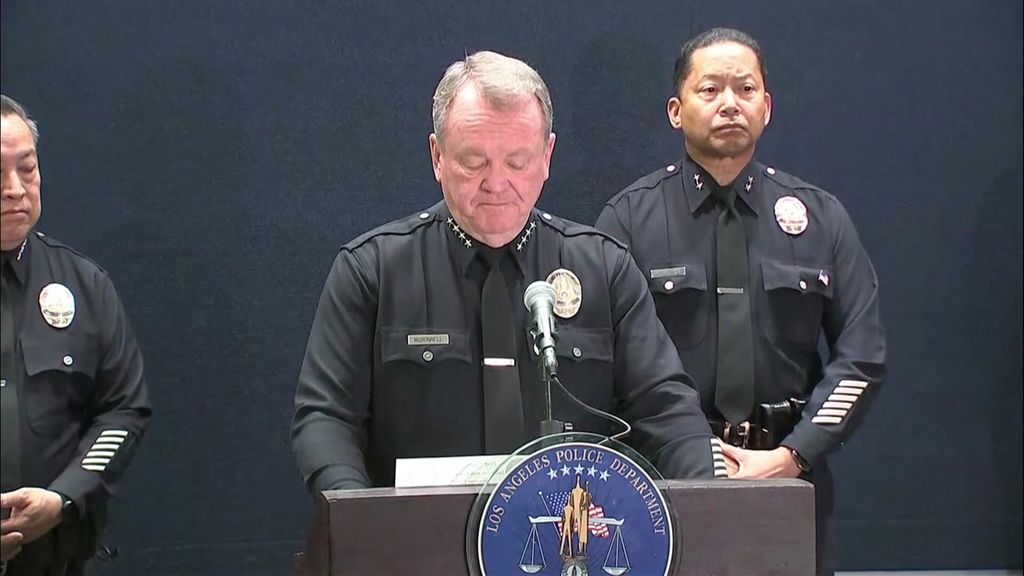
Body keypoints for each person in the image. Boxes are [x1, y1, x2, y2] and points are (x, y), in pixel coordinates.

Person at [291, 51, 723, 494]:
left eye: (517, 162)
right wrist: (358, 520)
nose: (497, 184)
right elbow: (326, 420)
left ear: (547, 156)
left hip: (570, 540)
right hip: (416, 543)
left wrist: (709, 506)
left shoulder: (604, 269)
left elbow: (668, 411)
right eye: (474, 161)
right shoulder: (372, 272)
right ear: (437, 156)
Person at [595, 28, 886, 574]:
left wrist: (795, 453)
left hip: (788, 477)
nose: (730, 102)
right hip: (663, 481)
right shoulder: (629, 220)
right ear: (677, 111)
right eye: (710, 90)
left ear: (767, 107)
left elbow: (862, 355)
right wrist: (690, 454)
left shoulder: (819, 219)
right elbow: (605, 363)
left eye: (745, 89)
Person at [0, 95, 151, 575]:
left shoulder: (84, 285)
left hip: (57, 557)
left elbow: (124, 408)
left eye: (28, 168)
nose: (15, 190)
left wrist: (64, 496)